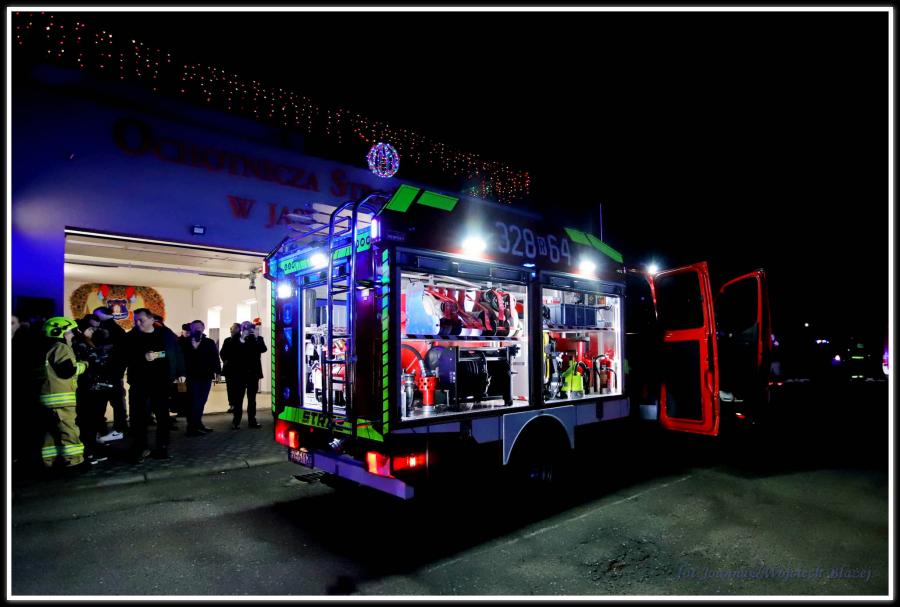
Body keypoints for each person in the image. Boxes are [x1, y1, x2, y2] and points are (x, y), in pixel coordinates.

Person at [123, 308, 185, 460]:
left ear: (152, 320)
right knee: (138, 417)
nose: (138, 323)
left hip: (161, 382)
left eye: (141, 320)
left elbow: (175, 353)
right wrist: (141, 356)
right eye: (135, 320)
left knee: (162, 416)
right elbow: (123, 357)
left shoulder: (165, 335)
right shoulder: (130, 337)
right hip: (139, 383)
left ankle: (162, 447)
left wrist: (181, 372)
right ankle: (140, 446)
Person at [38, 317, 89, 474]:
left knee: (50, 433)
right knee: (69, 430)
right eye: (70, 331)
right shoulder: (61, 347)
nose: (72, 335)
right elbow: (67, 371)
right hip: (61, 399)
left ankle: (49, 462)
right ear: (62, 332)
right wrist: (84, 365)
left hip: (47, 398)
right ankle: (74, 463)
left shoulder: (45, 348)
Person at [220, 321, 267, 430]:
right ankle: (236, 421)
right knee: (238, 399)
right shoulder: (233, 339)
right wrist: (242, 338)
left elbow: (263, 349)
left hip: (253, 374)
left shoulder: (257, 339)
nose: (248, 330)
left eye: (250, 328)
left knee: (252, 399)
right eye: (245, 328)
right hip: (239, 374)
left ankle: (252, 420)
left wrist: (256, 337)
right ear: (241, 329)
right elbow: (230, 352)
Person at [92, 306, 129, 443]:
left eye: (97, 315)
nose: (95, 317)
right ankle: (117, 428)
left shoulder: (110, 330)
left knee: (108, 402)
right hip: (111, 373)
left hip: (109, 372)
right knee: (114, 402)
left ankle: (112, 429)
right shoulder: (116, 330)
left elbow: (121, 354)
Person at [180, 319, 221, 436]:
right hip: (190, 376)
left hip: (206, 375)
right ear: (191, 328)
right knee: (193, 401)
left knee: (202, 400)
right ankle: (192, 427)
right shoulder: (183, 342)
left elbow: (215, 357)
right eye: (195, 327)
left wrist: (218, 372)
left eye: (199, 326)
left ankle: (198, 423)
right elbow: (179, 358)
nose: (197, 329)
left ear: (203, 328)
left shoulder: (209, 342)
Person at [220, 323, 241, 413]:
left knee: (238, 388)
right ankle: (232, 405)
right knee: (230, 388)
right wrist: (225, 360)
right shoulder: (227, 340)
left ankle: (237, 405)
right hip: (229, 369)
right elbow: (222, 352)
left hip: (239, 369)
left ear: (238, 329)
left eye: (233, 327)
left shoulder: (242, 340)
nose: (231, 329)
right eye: (231, 327)